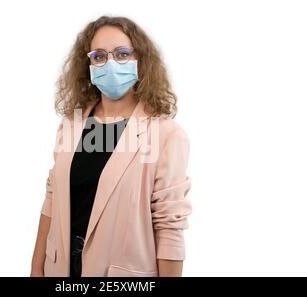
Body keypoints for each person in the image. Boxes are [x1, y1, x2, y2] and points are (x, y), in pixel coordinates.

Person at [31, 16, 192, 277]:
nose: (110, 63)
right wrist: (36, 268)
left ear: (140, 60)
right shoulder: (71, 125)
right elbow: (52, 199)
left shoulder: (166, 134)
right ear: (89, 64)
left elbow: (169, 225)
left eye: (122, 54)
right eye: (99, 56)